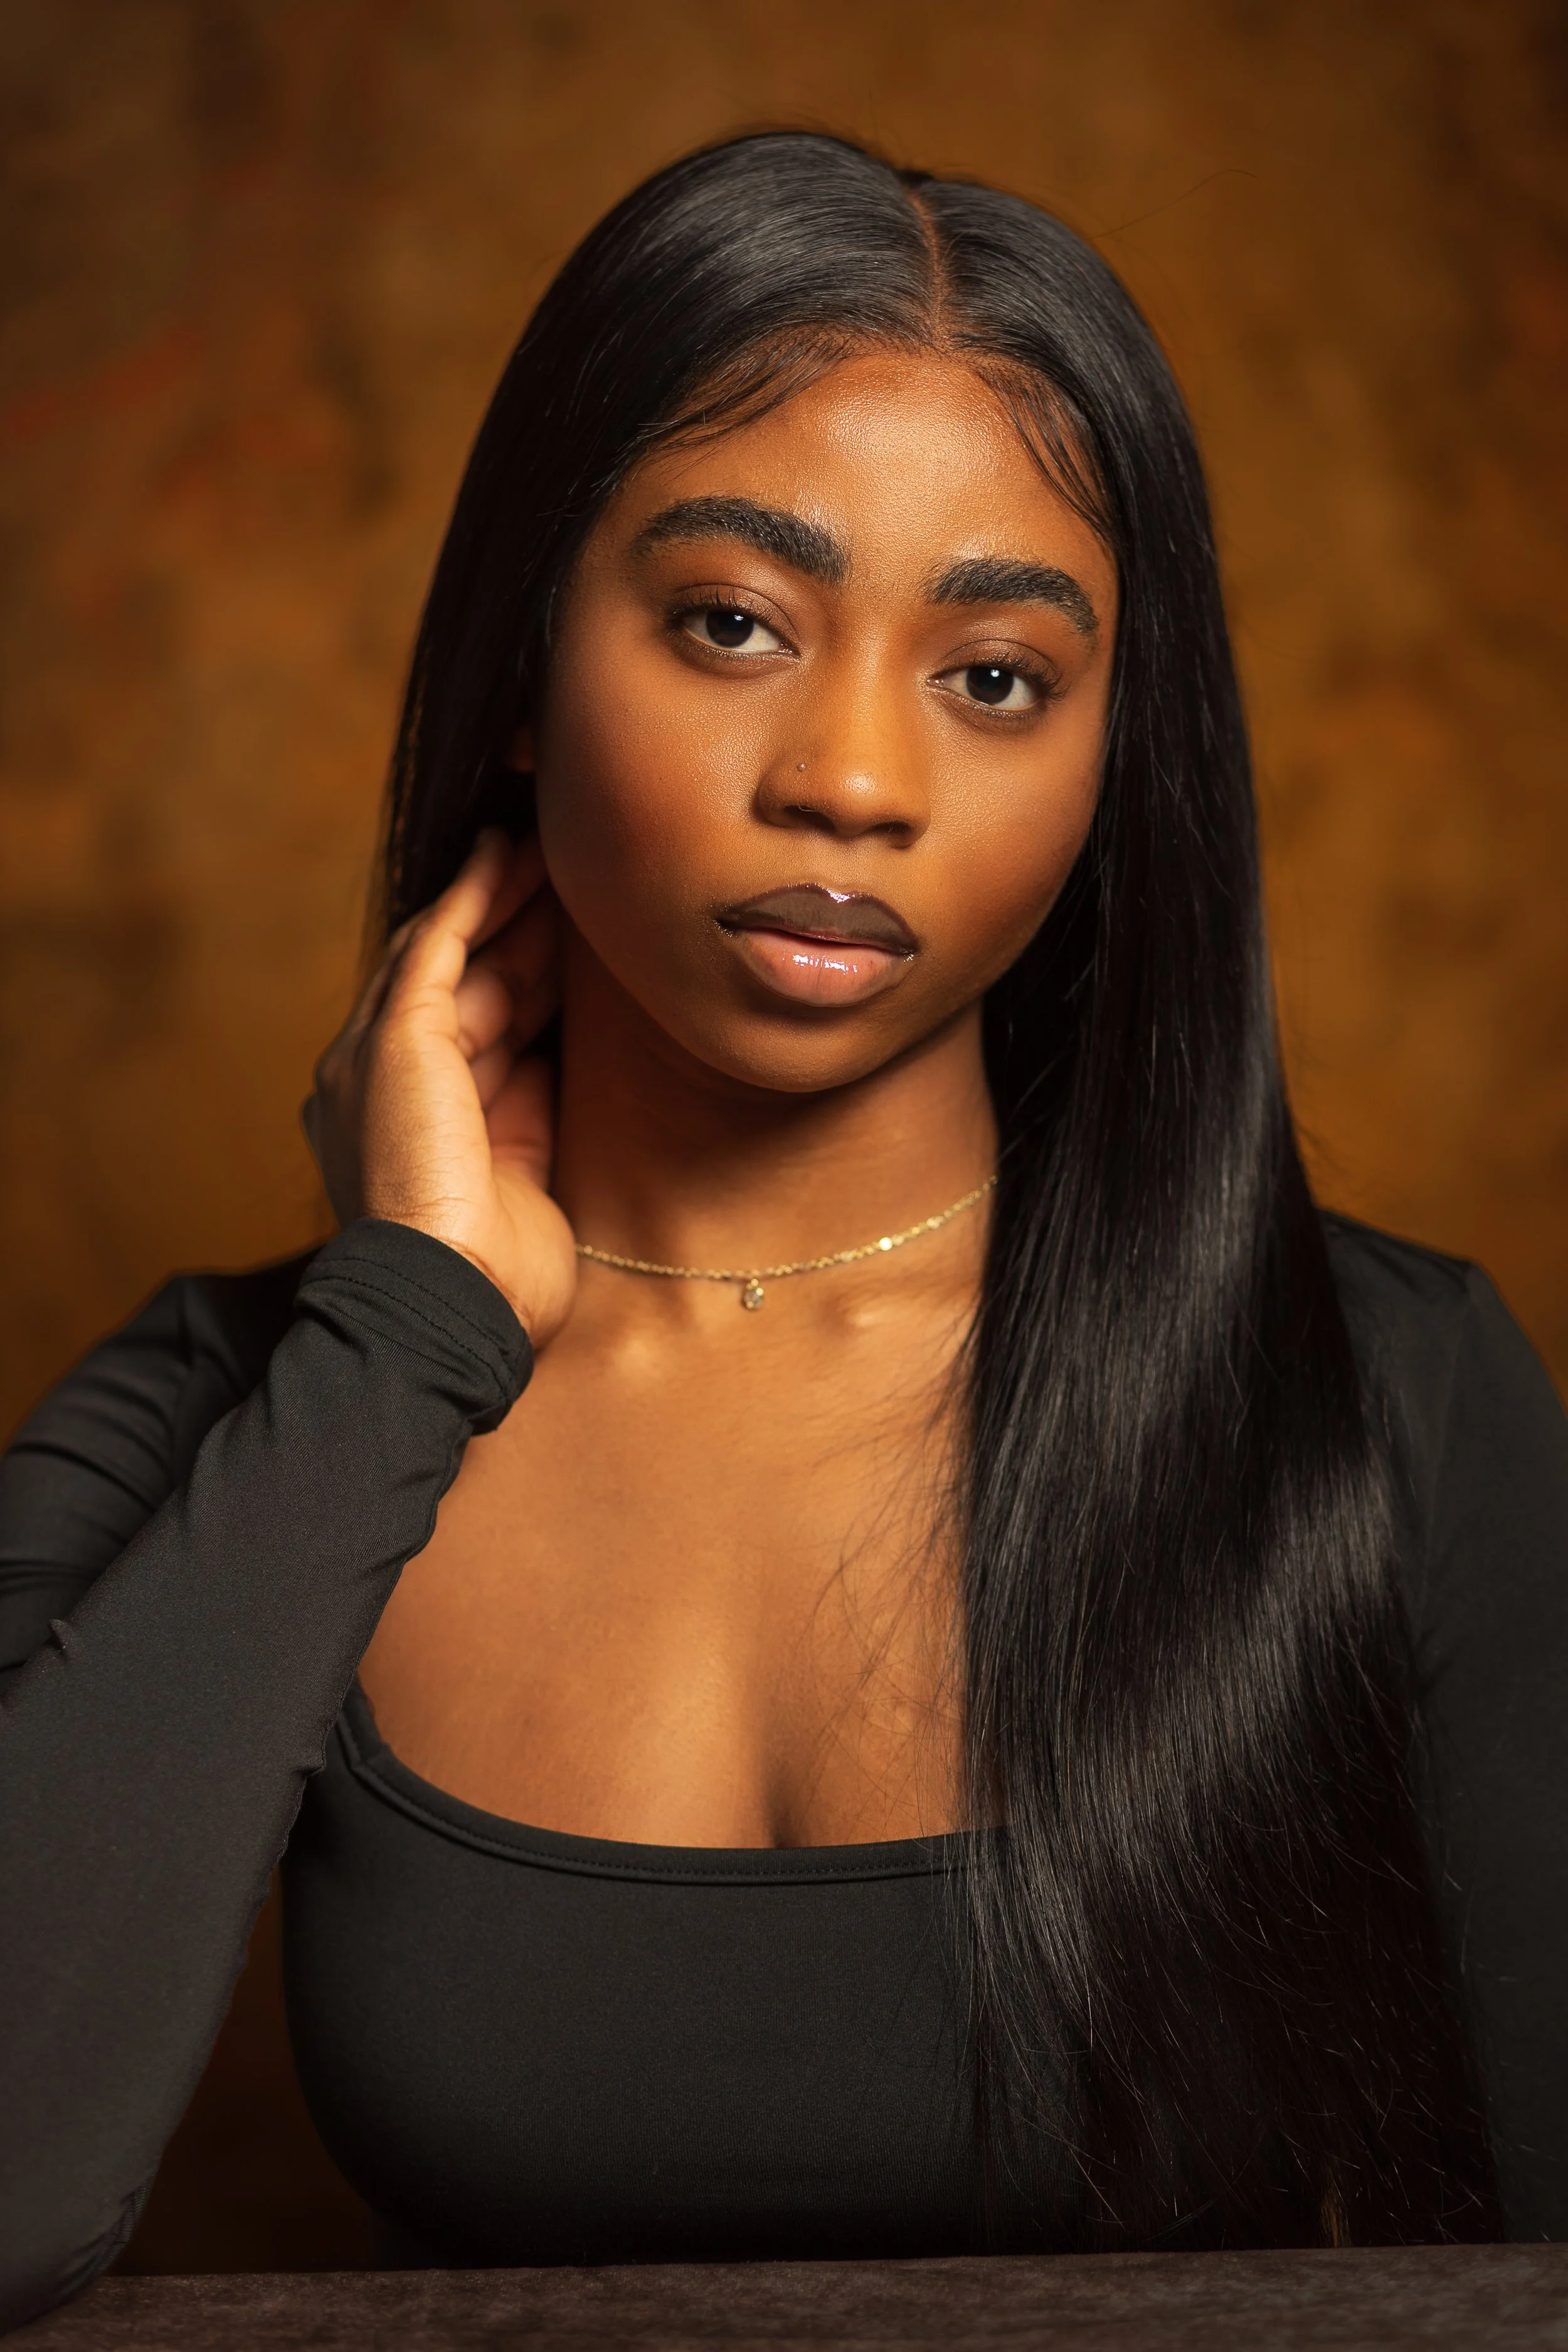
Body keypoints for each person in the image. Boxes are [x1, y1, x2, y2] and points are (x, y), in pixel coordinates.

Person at [1, 130, 1564, 2326]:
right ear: (525, 662)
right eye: (732, 622)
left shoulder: (1394, 1401)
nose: (852, 775)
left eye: (996, 674)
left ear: (1125, 754)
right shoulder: (233, 1410)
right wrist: (402, 1341)